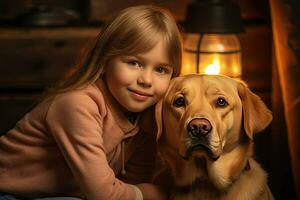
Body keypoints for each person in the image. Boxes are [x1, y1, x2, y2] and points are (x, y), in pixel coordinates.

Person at [0, 5, 182, 200]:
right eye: (134, 63)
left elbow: (134, 182)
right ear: (104, 61)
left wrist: (140, 192)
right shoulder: (77, 103)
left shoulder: (146, 116)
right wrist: (154, 194)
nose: (146, 80)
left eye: (161, 70)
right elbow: (105, 195)